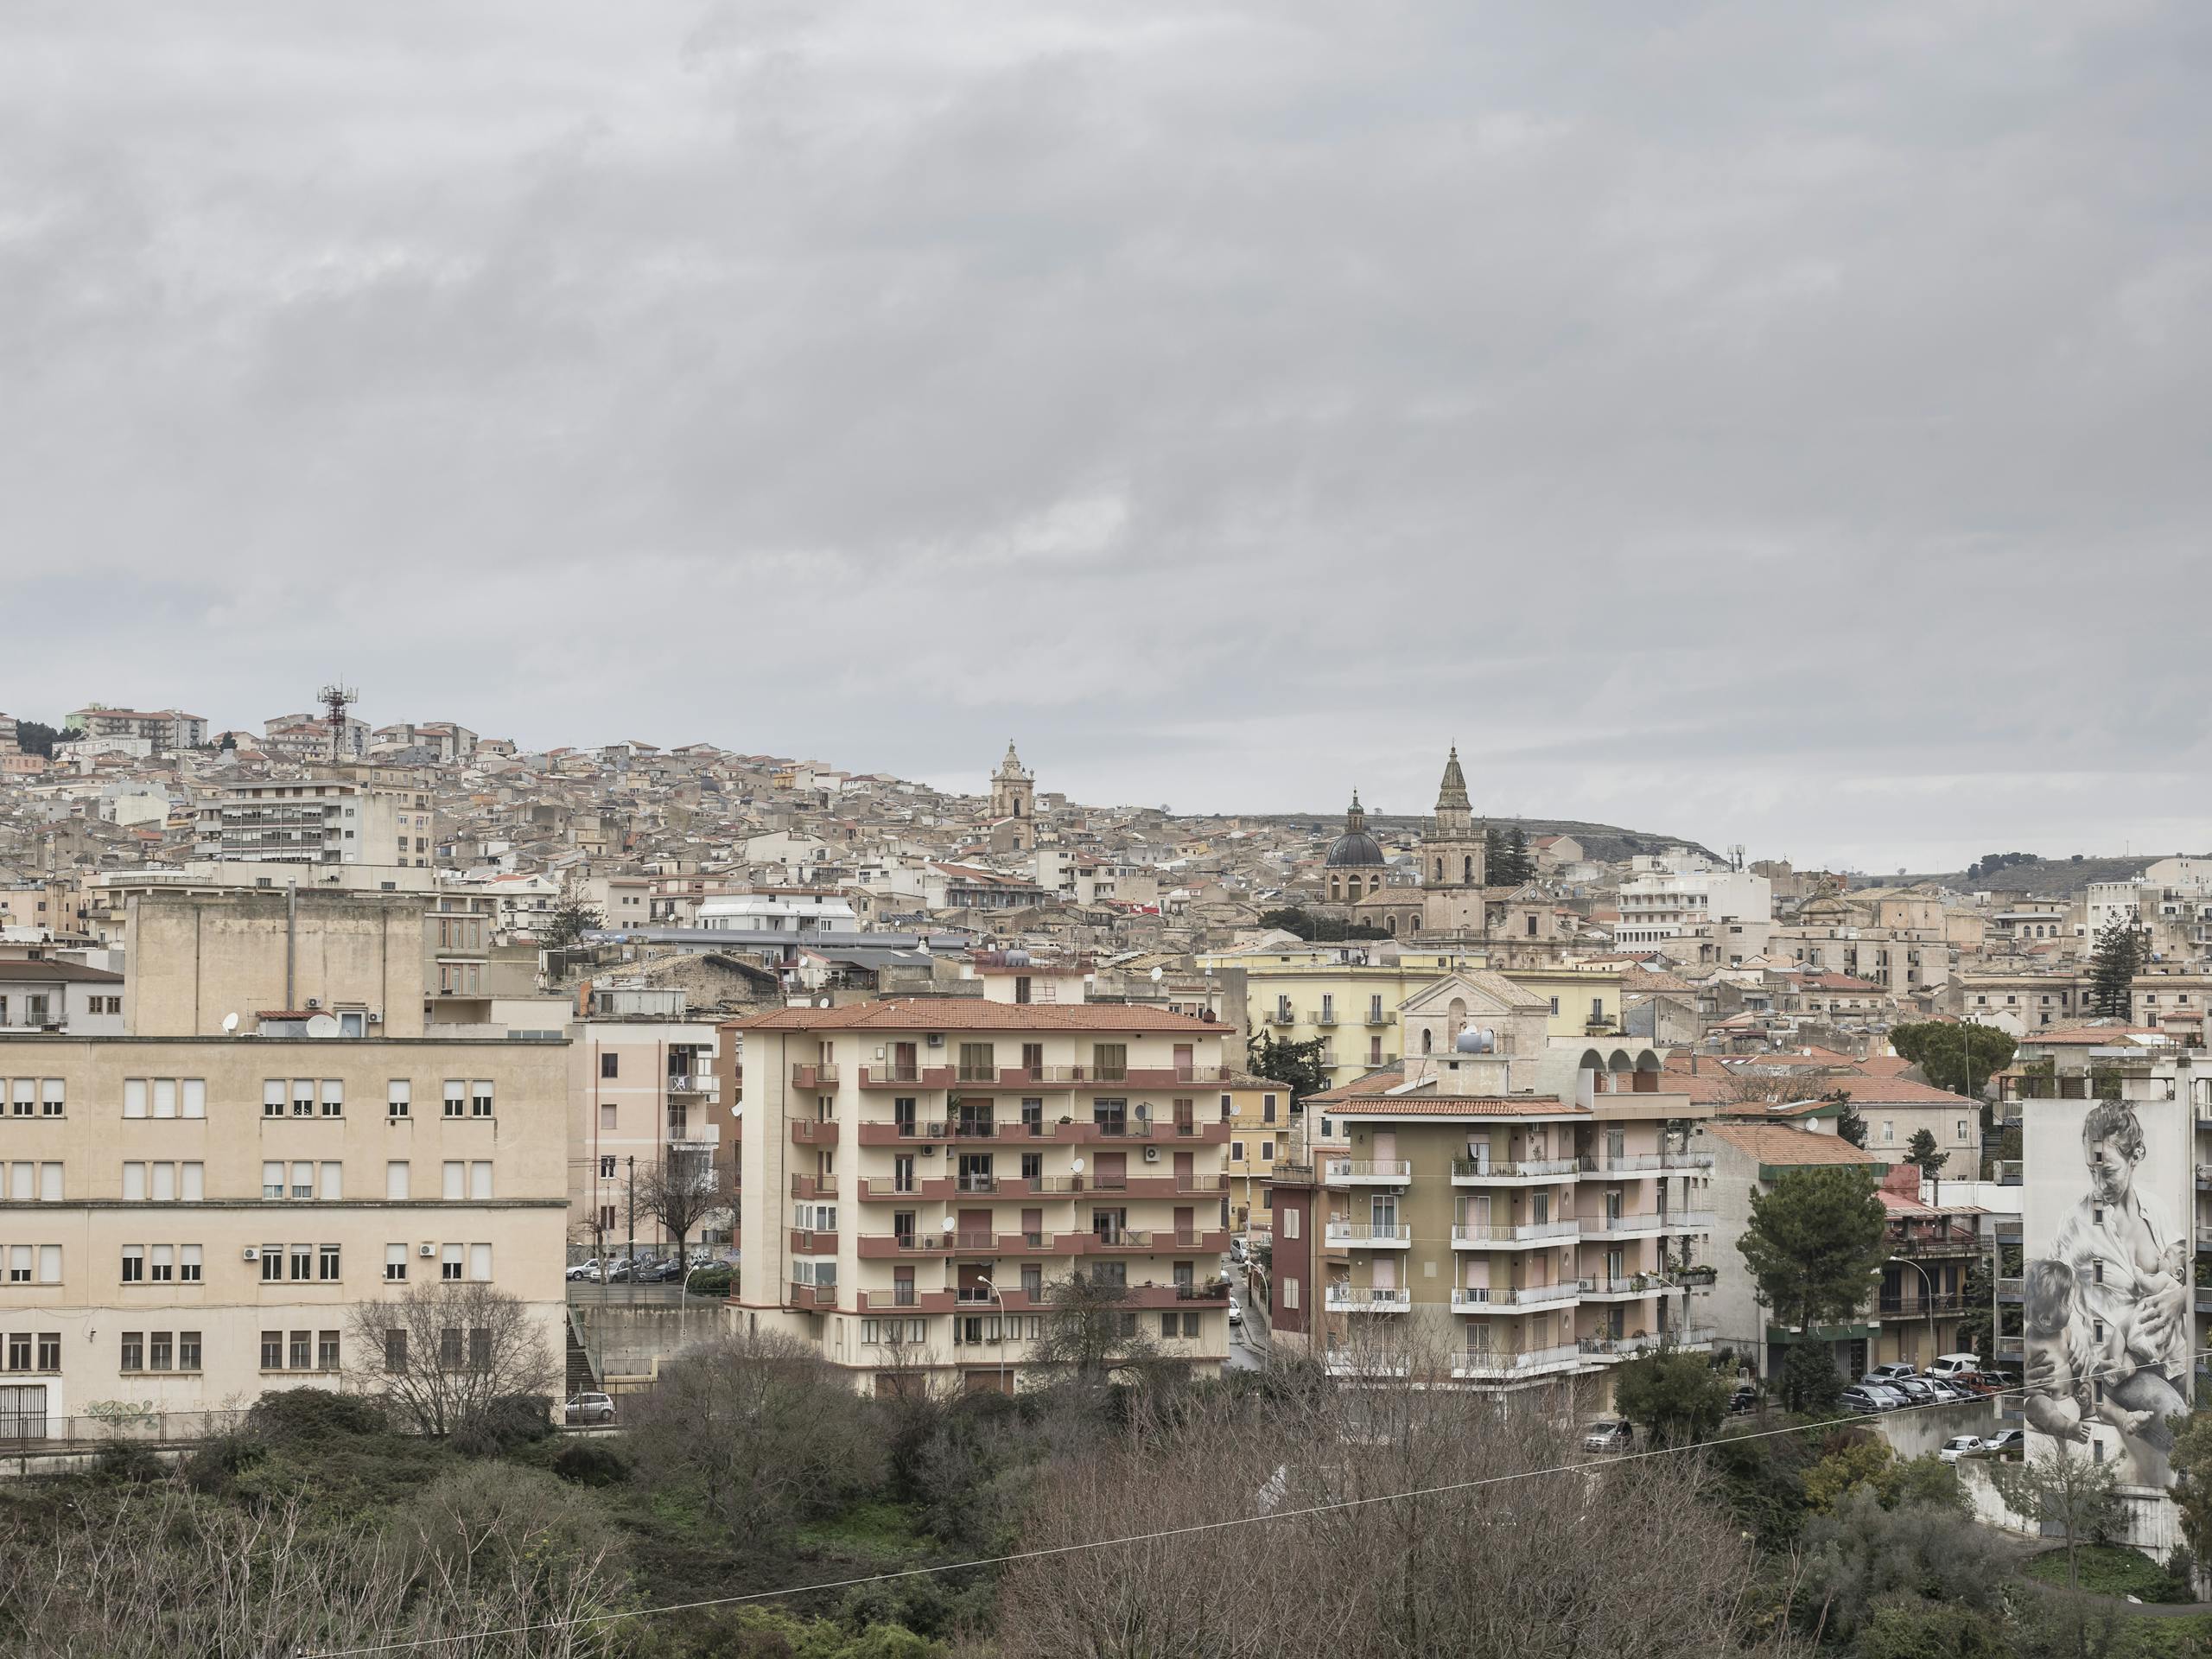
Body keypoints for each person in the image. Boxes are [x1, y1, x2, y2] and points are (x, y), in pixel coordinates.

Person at [2036, 1099, 2188, 1480]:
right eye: (2092, 1170)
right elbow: (2048, 1297)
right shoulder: (2073, 1225)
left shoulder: (2158, 1211)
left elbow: (2189, 1273)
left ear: (2136, 1155)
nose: (2098, 1184)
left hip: (2175, 1354)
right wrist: (2048, 1361)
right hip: (2121, 1369)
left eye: (2109, 1171)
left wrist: (2179, 1298)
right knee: (2181, 1424)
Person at [2019, 1258, 2156, 1442]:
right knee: (2038, 1405)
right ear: (2046, 1319)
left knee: (2097, 1397)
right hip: (2050, 1403)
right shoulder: (2029, 1342)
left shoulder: (2065, 1331)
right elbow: (2021, 1380)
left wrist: (2083, 1387)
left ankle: (2125, 1418)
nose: (2072, 1306)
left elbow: (2074, 1368)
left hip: (2073, 1400)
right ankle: (2068, 1428)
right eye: (2067, 1302)